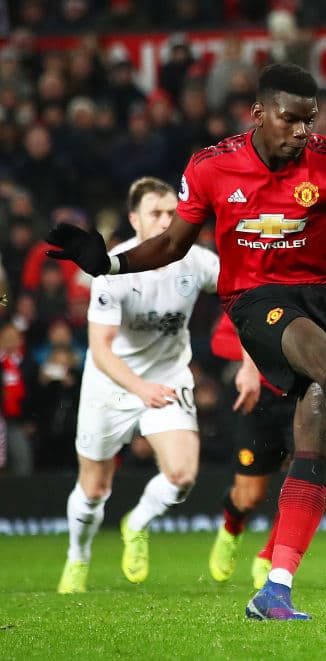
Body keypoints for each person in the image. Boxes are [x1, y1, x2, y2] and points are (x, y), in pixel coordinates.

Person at [46, 63, 326, 620]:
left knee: (316, 435)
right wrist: (111, 264)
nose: (301, 131)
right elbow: (173, 243)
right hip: (255, 299)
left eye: (309, 120)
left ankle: (276, 589)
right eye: (290, 119)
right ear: (259, 114)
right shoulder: (212, 167)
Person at [56, 176, 219, 595]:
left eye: (172, 213)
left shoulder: (197, 261)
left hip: (167, 375)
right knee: (94, 487)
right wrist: (140, 388)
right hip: (110, 381)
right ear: (135, 219)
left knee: (182, 477)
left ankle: (137, 522)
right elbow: (101, 349)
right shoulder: (111, 270)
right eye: (155, 213)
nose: (166, 221)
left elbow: (243, 292)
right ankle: (78, 556)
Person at [207, 310, 326, 589]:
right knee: (249, 496)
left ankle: (269, 557)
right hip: (263, 398)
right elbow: (220, 340)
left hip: (310, 396)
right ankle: (232, 526)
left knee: (302, 476)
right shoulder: (264, 293)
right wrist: (268, 352)